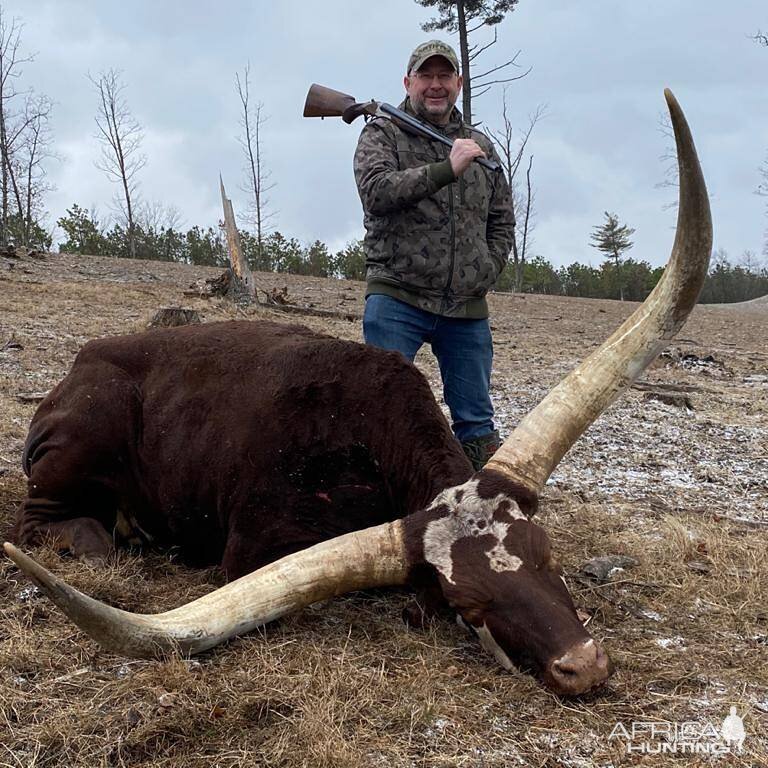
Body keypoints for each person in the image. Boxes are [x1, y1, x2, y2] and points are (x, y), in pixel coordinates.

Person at [353, 39, 515, 470]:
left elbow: (502, 220)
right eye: (426, 76)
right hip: (397, 299)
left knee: (477, 424)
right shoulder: (382, 132)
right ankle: (375, 504)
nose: (436, 85)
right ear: (408, 82)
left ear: (458, 84)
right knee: (380, 412)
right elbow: (376, 192)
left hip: (465, 309)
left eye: (445, 76)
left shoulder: (480, 146)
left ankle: (480, 509)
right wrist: (447, 169)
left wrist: (486, 269)